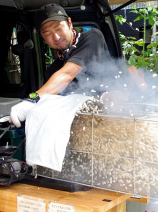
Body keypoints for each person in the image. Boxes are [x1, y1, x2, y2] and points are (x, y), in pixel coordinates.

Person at [10, 3, 145, 127]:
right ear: (42, 37)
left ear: (69, 23)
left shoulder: (92, 38)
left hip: (118, 117)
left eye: (58, 28)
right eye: (48, 34)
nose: (56, 37)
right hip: (83, 127)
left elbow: (67, 74)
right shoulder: (52, 72)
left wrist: (33, 99)